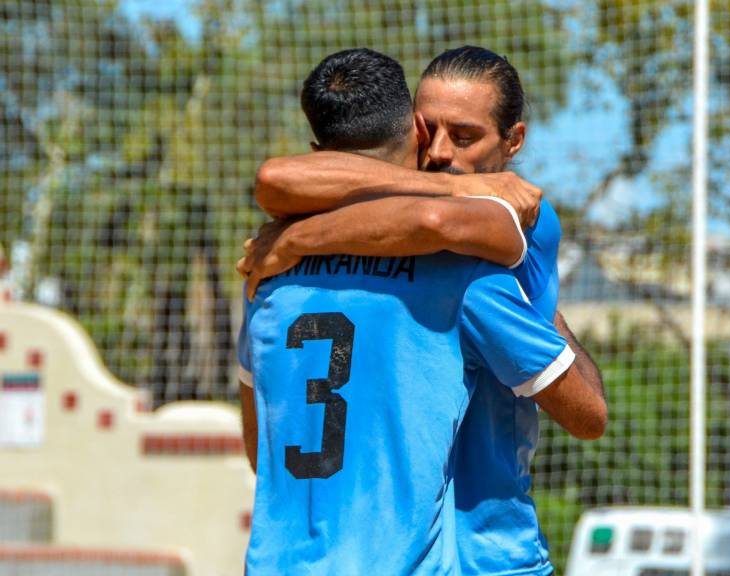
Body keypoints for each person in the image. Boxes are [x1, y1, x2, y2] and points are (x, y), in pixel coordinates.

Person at [238, 46, 606, 575]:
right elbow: (279, 179)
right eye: (427, 130)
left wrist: (295, 240)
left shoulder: (269, 285)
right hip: (440, 555)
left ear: (514, 141)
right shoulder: (459, 272)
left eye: (464, 137)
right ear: (410, 129)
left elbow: (442, 221)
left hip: (482, 548)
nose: (438, 153)